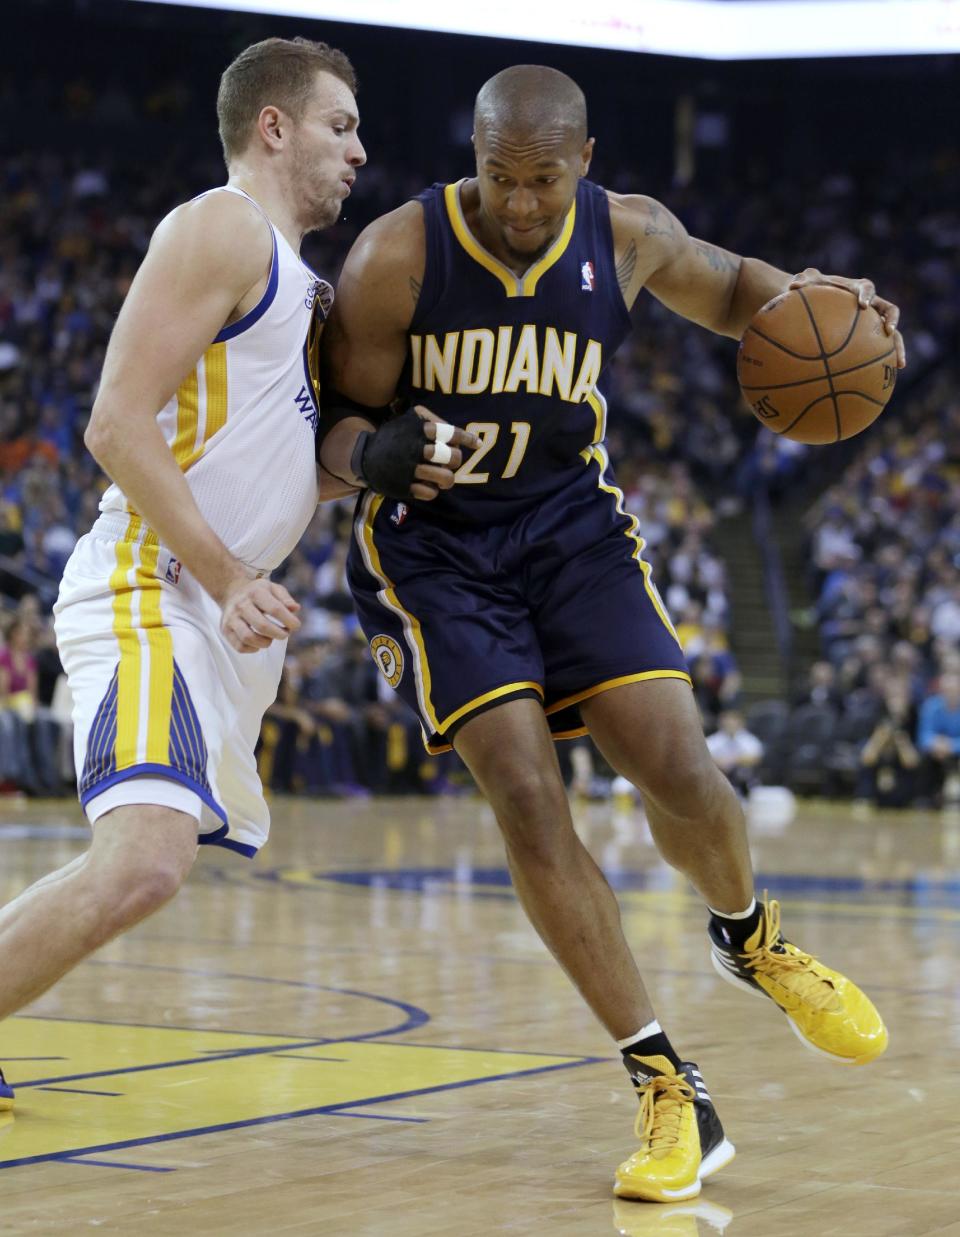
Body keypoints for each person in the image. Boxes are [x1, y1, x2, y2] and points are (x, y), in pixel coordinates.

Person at [319, 64, 903, 1203]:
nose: (523, 203)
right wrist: (371, 457)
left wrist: (825, 300)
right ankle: (662, 1076)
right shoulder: (398, 255)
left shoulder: (628, 235)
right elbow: (337, 425)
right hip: (437, 550)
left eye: (543, 180)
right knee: (529, 795)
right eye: (501, 178)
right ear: (473, 156)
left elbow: (742, 293)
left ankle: (750, 936)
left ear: (583, 163)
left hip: (569, 527)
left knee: (682, 769)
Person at [0, 34, 472, 1115]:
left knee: (148, 867)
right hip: (153, 581)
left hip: (216, 606)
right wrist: (221, 574)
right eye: (340, 126)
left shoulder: (302, 287)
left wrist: (382, 464)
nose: (362, 150)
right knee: (146, 858)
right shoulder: (222, 226)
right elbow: (115, 423)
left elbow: (278, 458)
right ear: (274, 127)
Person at [706, 709, 764, 797]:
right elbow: (705, 758)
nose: (731, 724)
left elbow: (756, 758)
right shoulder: (712, 740)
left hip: (743, 778)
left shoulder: (749, 740)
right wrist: (719, 762)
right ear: (721, 722)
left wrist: (733, 760)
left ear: (741, 723)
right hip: (719, 776)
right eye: (728, 721)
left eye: (734, 721)